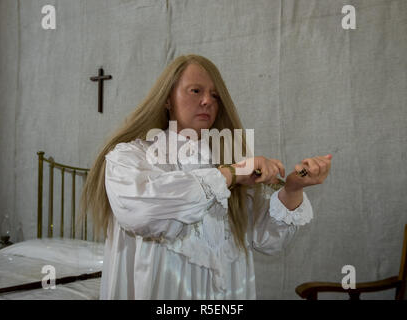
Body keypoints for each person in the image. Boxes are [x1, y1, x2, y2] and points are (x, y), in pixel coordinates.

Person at [80, 54, 332, 299]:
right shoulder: (131, 157)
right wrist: (230, 175)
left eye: (215, 95)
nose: (207, 101)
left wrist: (292, 190)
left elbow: (266, 240)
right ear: (167, 99)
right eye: (195, 91)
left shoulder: (229, 162)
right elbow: (143, 211)